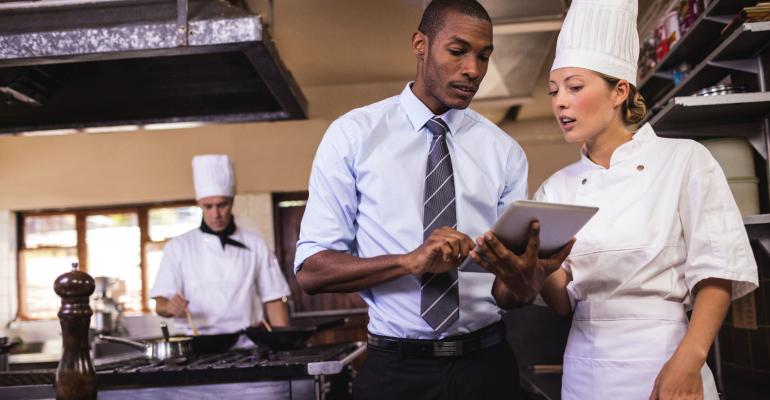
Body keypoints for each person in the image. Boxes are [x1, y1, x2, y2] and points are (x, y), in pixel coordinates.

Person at [294, 1, 572, 399]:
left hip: (487, 366)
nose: (473, 69)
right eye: (458, 51)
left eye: (484, 56)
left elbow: (511, 297)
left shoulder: (504, 152)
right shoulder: (353, 136)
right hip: (395, 372)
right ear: (420, 44)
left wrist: (527, 276)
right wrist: (410, 262)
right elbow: (311, 271)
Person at [536, 0, 759, 399]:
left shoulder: (684, 160)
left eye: (574, 87)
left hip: (668, 356)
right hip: (586, 368)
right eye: (554, 91)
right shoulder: (556, 189)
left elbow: (717, 271)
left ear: (619, 90)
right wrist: (534, 267)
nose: (560, 103)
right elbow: (560, 303)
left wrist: (688, 360)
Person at [150, 154, 291, 345]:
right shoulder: (178, 247)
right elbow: (160, 304)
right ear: (199, 204)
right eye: (208, 207)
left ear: (232, 202)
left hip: (247, 342)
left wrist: (284, 344)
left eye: (222, 205)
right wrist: (169, 306)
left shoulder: (255, 243)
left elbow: (273, 299)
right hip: (197, 343)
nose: (215, 214)